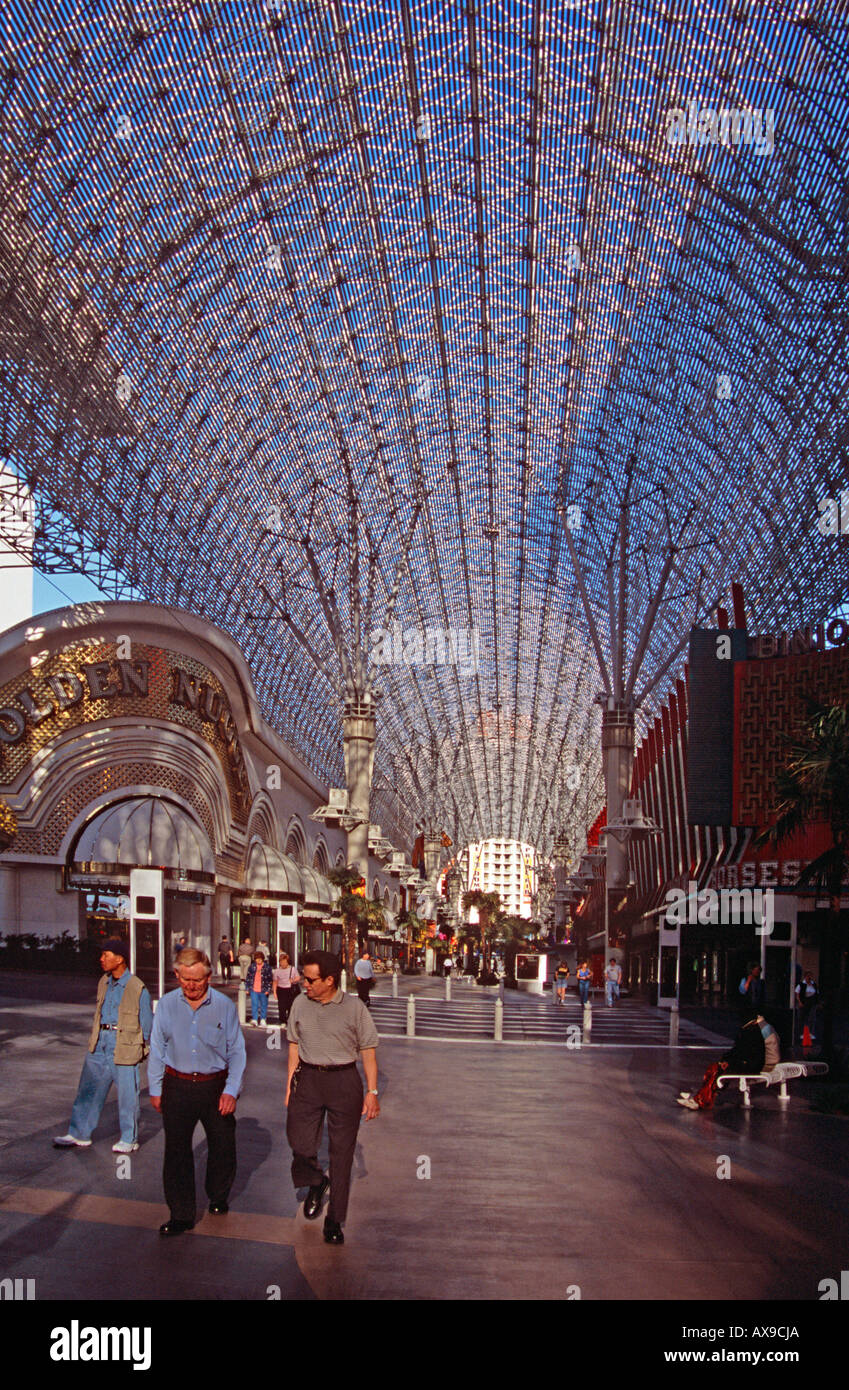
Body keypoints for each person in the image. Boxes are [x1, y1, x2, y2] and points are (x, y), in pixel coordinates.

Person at [148, 948, 246, 1235]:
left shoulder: (224, 1006)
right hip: (176, 1086)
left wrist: (231, 1090)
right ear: (177, 975)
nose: (191, 986)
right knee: (176, 1151)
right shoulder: (166, 1005)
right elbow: (156, 1049)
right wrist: (156, 1089)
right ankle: (181, 1214)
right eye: (185, 979)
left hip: (214, 1086)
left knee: (222, 1144)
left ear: (209, 976)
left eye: (198, 980)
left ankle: (218, 1194)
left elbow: (237, 1052)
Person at [285, 950, 380, 1246]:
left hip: (344, 1082)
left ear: (329, 980)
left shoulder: (355, 1009)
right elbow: (292, 1046)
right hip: (309, 1079)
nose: (304, 984)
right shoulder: (300, 1003)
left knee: (341, 1155)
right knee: (299, 1143)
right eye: (303, 977)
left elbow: (368, 1052)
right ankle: (315, 1181)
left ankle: (335, 1219)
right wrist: (289, 1087)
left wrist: (372, 1092)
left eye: (311, 980)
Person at [54, 939, 153, 1154]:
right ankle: (79, 1133)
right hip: (100, 1042)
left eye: (106, 955)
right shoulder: (103, 982)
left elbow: (147, 1025)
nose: (101, 959)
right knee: (88, 1089)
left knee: (128, 1095)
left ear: (120, 959)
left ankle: (129, 1138)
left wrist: (138, 1048)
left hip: (124, 1045)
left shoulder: (137, 987)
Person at [677, 1005, 779, 1109]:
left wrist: (727, 1060)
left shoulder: (752, 1031)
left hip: (751, 1065)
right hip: (751, 1063)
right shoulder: (758, 1028)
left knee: (717, 1070)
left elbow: (743, 1052)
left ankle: (700, 1100)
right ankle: (699, 1095)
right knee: (716, 1068)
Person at [273, 952, 301, 1029]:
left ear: (287, 961)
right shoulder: (277, 971)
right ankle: (282, 1021)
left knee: (290, 1006)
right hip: (281, 989)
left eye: (284, 962)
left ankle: (290, 1021)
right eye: (281, 962)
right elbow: (275, 982)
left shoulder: (293, 969)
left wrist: (293, 980)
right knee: (281, 1006)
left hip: (290, 989)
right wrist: (275, 992)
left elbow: (298, 977)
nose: (283, 964)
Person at [246, 951, 273, 1026]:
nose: (258, 961)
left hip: (263, 989)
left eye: (260, 959)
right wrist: (247, 988)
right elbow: (248, 977)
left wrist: (268, 989)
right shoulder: (252, 966)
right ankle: (254, 1019)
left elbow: (270, 979)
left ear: (263, 959)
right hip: (253, 988)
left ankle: (263, 1019)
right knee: (254, 1004)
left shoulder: (267, 967)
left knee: (264, 1004)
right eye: (257, 959)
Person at [795, 971, 819, 1038]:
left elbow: (816, 993)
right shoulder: (801, 984)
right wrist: (800, 1002)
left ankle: (811, 1033)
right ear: (805, 977)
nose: (809, 978)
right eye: (808, 976)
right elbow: (797, 994)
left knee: (811, 1018)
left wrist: (817, 1003)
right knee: (801, 1018)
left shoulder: (813, 984)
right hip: (804, 1001)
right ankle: (801, 1033)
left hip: (812, 1002)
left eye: (810, 976)